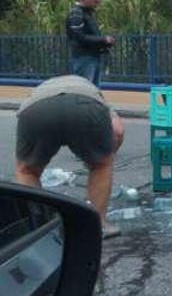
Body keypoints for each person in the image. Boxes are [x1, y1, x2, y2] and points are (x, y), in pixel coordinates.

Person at [14, 75, 126, 238]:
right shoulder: (93, 93)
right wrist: (98, 159)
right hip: (84, 108)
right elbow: (118, 130)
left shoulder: (41, 89)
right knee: (101, 166)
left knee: (27, 171)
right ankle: (98, 225)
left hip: (36, 109)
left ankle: (38, 226)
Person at [66, 0, 114, 86]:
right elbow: (79, 37)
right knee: (84, 88)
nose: (96, 5)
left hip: (93, 55)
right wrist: (103, 39)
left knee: (93, 89)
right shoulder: (76, 13)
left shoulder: (87, 13)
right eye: (95, 2)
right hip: (83, 57)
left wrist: (104, 43)